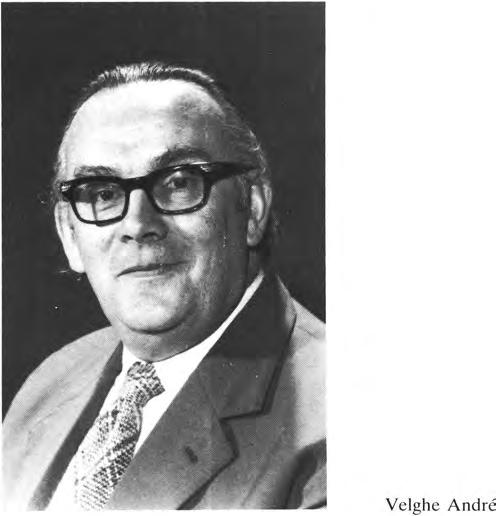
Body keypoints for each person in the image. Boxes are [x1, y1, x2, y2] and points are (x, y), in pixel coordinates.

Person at [3, 62, 325, 510]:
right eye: (102, 193)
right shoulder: (50, 382)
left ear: (251, 209)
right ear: (69, 235)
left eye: (178, 183)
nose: (137, 225)